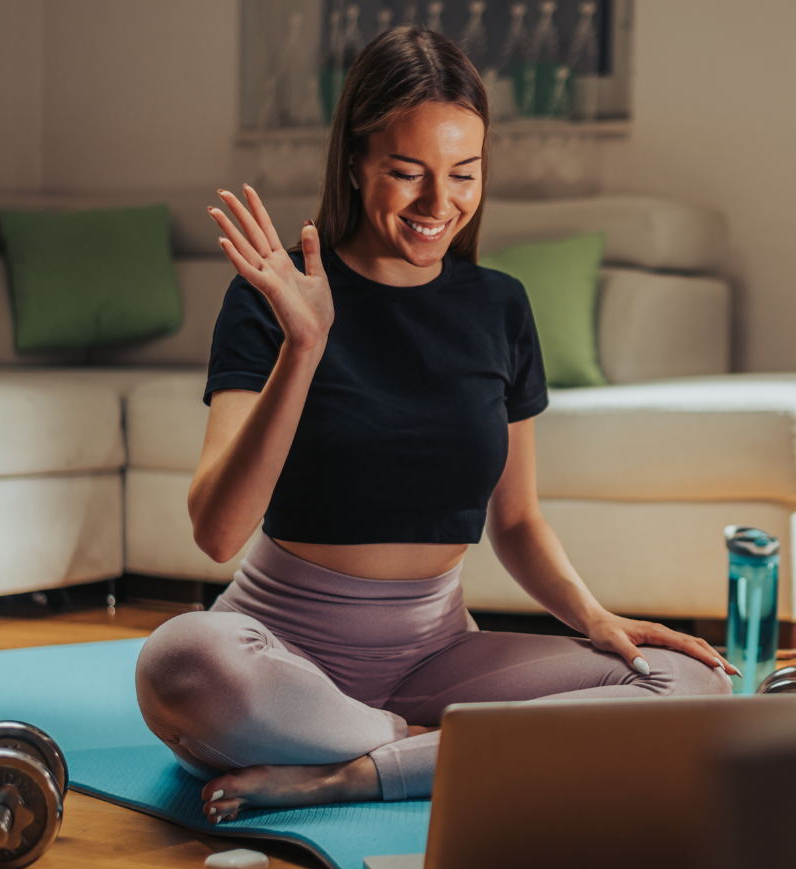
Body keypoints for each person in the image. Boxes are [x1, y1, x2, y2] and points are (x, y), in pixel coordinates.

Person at [134, 27, 735, 825]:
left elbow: (516, 520)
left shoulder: (500, 307)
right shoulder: (273, 298)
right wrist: (305, 346)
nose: (437, 204)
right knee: (180, 662)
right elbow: (218, 532)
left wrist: (598, 621)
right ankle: (434, 748)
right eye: (407, 172)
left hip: (437, 654)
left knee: (692, 684)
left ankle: (353, 772)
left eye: (463, 174)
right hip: (277, 655)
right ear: (354, 161)